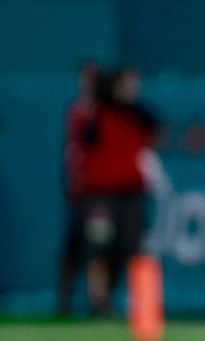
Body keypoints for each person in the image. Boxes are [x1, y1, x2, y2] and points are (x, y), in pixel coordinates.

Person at [77, 69, 159, 317]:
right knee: (99, 248)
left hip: (130, 194)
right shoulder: (97, 114)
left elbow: (155, 120)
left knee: (133, 249)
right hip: (101, 194)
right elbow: (85, 138)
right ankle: (98, 301)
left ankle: (140, 305)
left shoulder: (136, 115)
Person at [58, 61, 99, 317]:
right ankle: (65, 299)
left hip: (99, 192)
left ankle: (98, 300)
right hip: (80, 192)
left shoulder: (105, 110)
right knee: (73, 249)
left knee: (97, 247)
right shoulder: (77, 111)